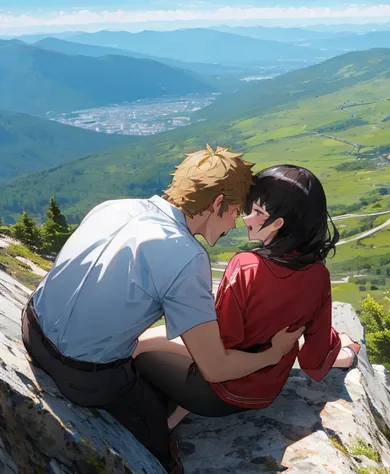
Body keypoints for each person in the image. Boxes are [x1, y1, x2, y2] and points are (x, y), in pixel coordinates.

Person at [21, 146, 305, 474]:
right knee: (156, 434)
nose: (236, 223)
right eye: (234, 212)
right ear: (216, 204)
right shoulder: (186, 255)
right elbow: (214, 367)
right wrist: (273, 354)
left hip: (31, 328)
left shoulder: (112, 207)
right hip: (83, 376)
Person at [133, 164, 361, 430]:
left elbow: (220, 346)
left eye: (258, 212)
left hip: (219, 392)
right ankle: (176, 414)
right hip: (265, 392)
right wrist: (345, 353)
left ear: (278, 223)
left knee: (137, 353)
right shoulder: (318, 274)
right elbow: (315, 355)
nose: (246, 217)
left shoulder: (246, 266)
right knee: (156, 340)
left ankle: (159, 428)